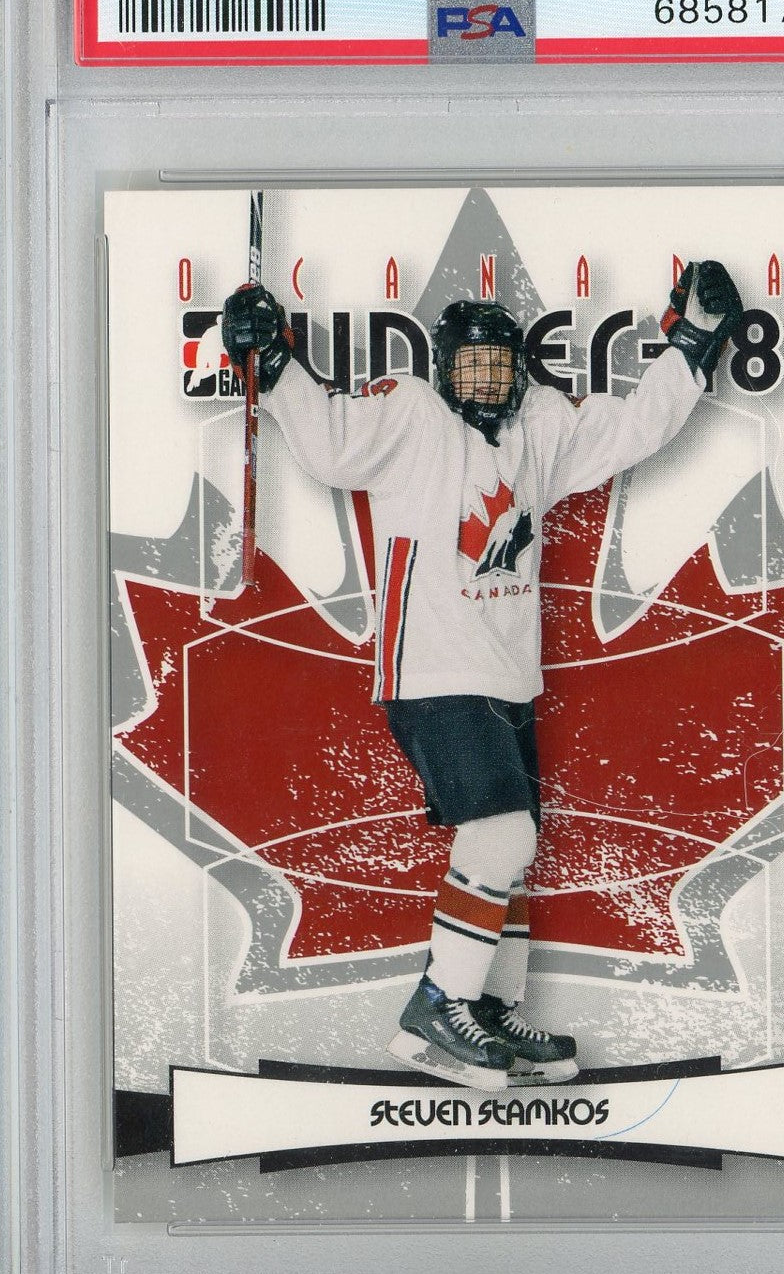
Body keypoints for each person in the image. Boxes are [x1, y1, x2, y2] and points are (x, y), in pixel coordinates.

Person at [221, 261, 743, 1089]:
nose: (488, 379)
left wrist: (693, 344)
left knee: (509, 848)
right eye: (471, 364)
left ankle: (488, 1009)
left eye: (501, 364)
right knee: (503, 836)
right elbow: (326, 442)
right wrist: (273, 360)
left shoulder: (540, 426)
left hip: (507, 677)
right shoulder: (412, 414)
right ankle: (437, 1009)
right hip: (432, 668)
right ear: (443, 369)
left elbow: (635, 428)